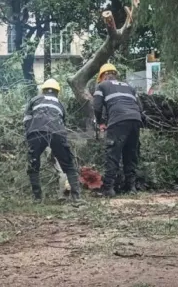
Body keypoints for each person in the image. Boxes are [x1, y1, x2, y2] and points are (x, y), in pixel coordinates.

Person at [24, 78, 82, 206]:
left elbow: (27, 120)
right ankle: (77, 198)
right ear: (57, 92)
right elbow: (63, 123)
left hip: (36, 132)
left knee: (33, 165)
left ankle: (37, 198)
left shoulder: (34, 100)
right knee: (68, 165)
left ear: (42, 90)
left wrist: (29, 137)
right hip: (57, 132)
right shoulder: (60, 104)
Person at [93, 63, 144, 197]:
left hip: (118, 120)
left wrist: (101, 123)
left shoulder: (102, 86)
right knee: (130, 154)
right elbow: (140, 106)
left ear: (103, 76)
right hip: (135, 119)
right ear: (116, 74)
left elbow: (97, 107)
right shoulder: (130, 87)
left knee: (113, 154)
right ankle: (131, 187)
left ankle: (109, 189)